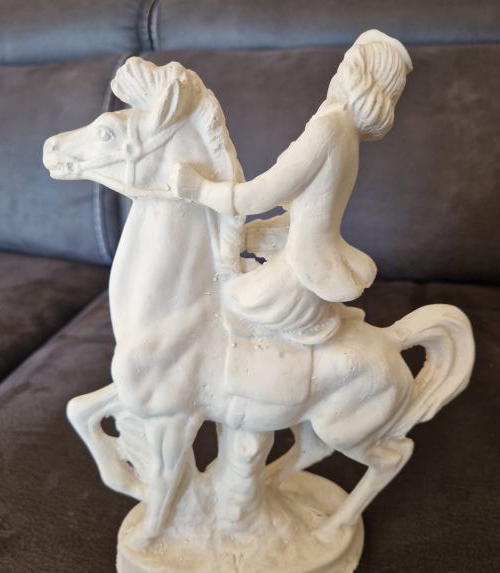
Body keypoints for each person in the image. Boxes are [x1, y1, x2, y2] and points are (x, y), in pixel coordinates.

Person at [170, 30, 413, 344]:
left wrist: (200, 189)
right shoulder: (347, 135)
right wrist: (258, 232)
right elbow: (311, 210)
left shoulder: (330, 128)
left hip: (302, 267)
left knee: (229, 300)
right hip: (312, 252)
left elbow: (261, 194)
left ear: (353, 74)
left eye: (345, 65)